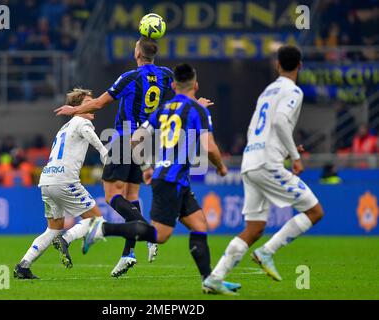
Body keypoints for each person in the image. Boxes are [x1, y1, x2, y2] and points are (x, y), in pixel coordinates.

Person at [79, 63, 241, 294]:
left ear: (173, 86)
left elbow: (136, 137)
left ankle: (209, 280)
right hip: (170, 180)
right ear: (195, 85)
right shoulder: (198, 110)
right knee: (159, 235)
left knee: (199, 225)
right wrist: (222, 167)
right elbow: (210, 147)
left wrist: (146, 166)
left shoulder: (162, 110)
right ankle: (103, 229)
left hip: (173, 179)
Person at [55, 36, 181, 277]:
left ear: (137, 55)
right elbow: (180, 96)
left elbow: (99, 104)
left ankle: (147, 232)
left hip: (125, 139)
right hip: (147, 141)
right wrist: (197, 103)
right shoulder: (165, 74)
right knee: (131, 196)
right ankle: (128, 254)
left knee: (112, 196)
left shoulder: (130, 78)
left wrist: (74, 109)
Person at [203, 45, 325, 295]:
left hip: (251, 160)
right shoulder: (293, 90)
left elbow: (256, 128)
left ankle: (215, 278)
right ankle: (267, 252)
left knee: (255, 228)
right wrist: (294, 156)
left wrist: (280, 149)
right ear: (300, 66)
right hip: (267, 163)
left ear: (277, 65)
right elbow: (280, 121)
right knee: (314, 211)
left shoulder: (267, 91)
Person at [14, 88, 108, 279]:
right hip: (65, 181)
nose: (93, 105)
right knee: (97, 220)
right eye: (88, 102)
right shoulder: (83, 123)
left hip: (47, 180)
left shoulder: (64, 127)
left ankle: (23, 265)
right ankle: (66, 239)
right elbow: (100, 148)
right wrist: (112, 167)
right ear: (76, 108)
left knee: (53, 228)